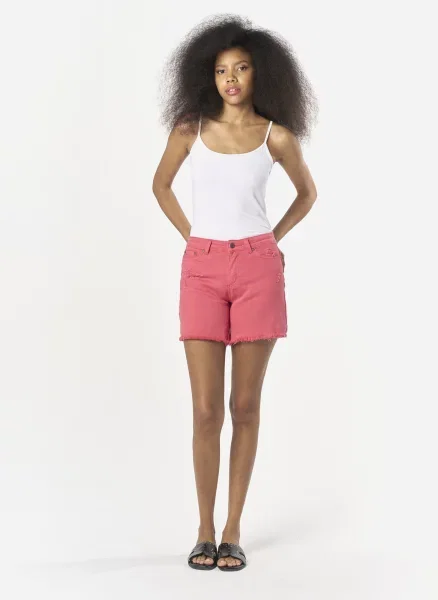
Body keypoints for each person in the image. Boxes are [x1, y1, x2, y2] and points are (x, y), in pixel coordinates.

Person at [152, 14, 318, 571]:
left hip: (257, 269)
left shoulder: (276, 136)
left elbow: (307, 193)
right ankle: (203, 529)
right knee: (205, 411)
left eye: (242, 68)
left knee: (244, 406)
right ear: (208, 74)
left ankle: (232, 529)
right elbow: (160, 185)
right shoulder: (189, 129)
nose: (231, 79)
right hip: (201, 269)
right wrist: (192, 237)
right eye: (222, 70)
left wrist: (271, 240)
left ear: (259, 73)